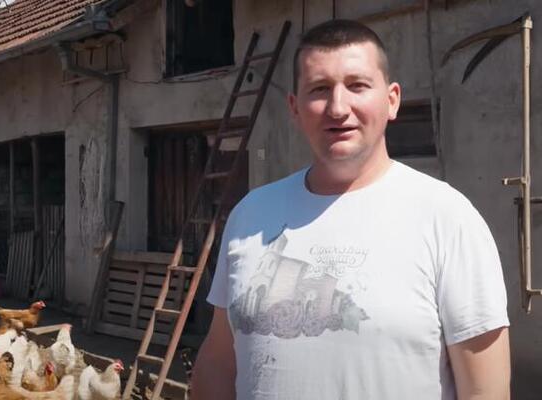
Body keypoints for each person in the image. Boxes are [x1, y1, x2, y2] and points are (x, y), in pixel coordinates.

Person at [191, 19, 510, 400]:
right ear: (294, 108)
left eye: (357, 85)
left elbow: (485, 390)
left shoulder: (447, 218)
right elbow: (219, 362)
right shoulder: (250, 216)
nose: (338, 108)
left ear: (391, 100)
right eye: (319, 89)